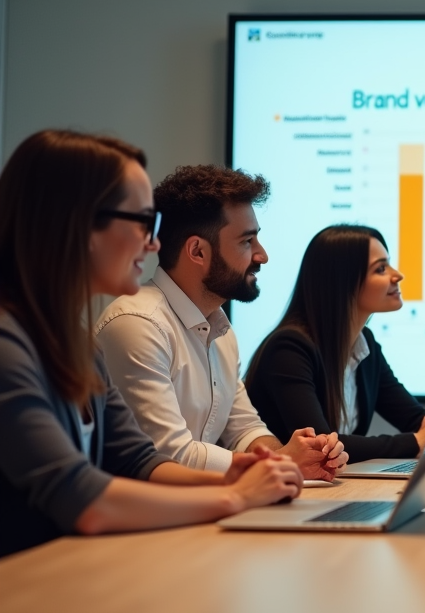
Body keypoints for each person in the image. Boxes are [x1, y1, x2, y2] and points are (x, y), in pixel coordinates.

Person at [0, 130, 304, 557]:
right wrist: (236, 496)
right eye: (143, 222)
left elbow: (141, 462)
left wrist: (241, 477)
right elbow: (84, 499)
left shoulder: (74, 343)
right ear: (80, 224)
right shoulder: (8, 343)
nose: (155, 242)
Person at [94, 165, 345, 480]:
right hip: (144, 521)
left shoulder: (220, 329)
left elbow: (246, 430)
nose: (262, 255)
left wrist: (300, 455)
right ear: (197, 251)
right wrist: (278, 463)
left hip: (201, 509)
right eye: (247, 242)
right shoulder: (137, 324)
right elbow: (169, 455)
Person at [245, 225, 425, 463]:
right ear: (343, 282)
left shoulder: (364, 344)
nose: (397, 275)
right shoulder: (288, 349)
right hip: (288, 490)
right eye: (380, 268)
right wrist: (414, 442)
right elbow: (322, 445)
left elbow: (414, 418)